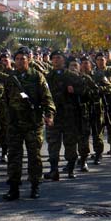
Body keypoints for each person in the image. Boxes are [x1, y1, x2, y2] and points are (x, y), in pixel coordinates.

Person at [3, 47, 55, 201]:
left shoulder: (37, 77)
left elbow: (47, 98)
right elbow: (5, 100)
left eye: (22, 59)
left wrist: (49, 115)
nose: (19, 61)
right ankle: (14, 188)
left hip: (33, 123)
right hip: (14, 124)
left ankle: (35, 186)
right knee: (14, 156)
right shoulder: (10, 78)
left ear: (28, 60)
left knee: (34, 156)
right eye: (17, 59)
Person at [44, 50, 84, 180]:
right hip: (54, 116)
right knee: (53, 144)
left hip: (70, 116)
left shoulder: (72, 76)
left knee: (70, 143)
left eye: (59, 57)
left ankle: (71, 169)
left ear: (64, 60)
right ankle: (54, 170)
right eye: (54, 58)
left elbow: (85, 93)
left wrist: (75, 91)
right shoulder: (48, 77)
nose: (56, 60)